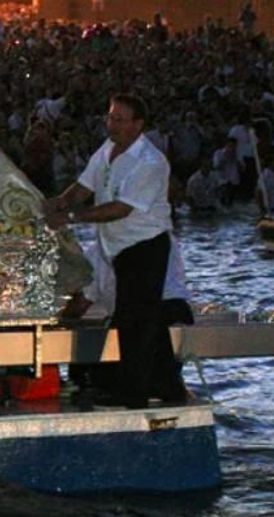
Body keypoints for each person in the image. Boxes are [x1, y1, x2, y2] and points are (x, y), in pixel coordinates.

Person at [45, 94, 179, 408]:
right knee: (145, 320)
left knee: (132, 322)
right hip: (118, 249)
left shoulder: (150, 162)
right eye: (110, 118)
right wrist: (58, 203)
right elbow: (83, 186)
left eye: (120, 120)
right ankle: (167, 387)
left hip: (145, 247)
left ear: (138, 124)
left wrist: (71, 217)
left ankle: (132, 394)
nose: (112, 125)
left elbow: (120, 208)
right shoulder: (106, 151)